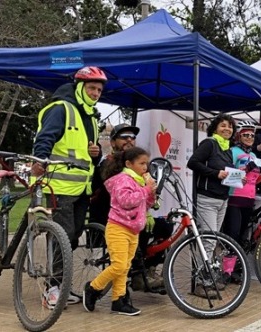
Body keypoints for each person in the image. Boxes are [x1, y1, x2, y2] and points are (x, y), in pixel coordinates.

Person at [31, 66, 105, 308]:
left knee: (71, 237)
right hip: (58, 185)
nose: (96, 93)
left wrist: (96, 152)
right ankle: (52, 289)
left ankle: (59, 285)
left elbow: (88, 154)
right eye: (92, 88)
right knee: (62, 237)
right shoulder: (61, 108)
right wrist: (39, 161)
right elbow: (45, 137)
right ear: (79, 86)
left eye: (99, 90)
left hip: (80, 188)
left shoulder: (92, 116)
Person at [89, 123, 167, 291]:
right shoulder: (108, 165)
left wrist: (150, 198)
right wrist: (145, 193)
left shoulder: (138, 167)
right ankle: (137, 275)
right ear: (112, 142)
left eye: (132, 137)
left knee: (166, 227)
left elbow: (142, 196)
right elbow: (121, 198)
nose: (129, 140)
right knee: (141, 231)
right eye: (124, 137)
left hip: (133, 214)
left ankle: (149, 267)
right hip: (110, 214)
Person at [83, 146, 156, 316]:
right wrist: (145, 190)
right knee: (119, 265)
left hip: (133, 230)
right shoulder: (123, 180)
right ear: (129, 164)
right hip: (118, 228)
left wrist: (151, 193)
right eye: (141, 163)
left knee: (125, 267)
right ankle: (93, 288)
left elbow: (146, 204)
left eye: (147, 163)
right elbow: (126, 201)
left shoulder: (139, 181)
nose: (145, 167)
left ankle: (119, 300)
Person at [186, 113, 235, 247]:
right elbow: (192, 163)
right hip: (207, 200)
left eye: (230, 127)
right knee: (209, 240)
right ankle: (203, 268)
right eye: (223, 126)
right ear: (215, 129)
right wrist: (215, 173)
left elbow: (226, 173)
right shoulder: (209, 143)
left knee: (214, 240)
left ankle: (207, 268)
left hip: (223, 200)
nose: (227, 129)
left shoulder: (227, 149)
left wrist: (238, 179)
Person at [223, 120, 261, 245]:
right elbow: (227, 173)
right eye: (246, 135)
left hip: (249, 200)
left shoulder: (254, 155)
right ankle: (228, 264)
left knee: (242, 237)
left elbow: (255, 179)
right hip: (235, 198)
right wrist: (244, 170)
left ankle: (239, 264)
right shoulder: (233, 151)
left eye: (252, 135)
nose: (250, 137)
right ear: (238, 136)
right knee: (232, 236)